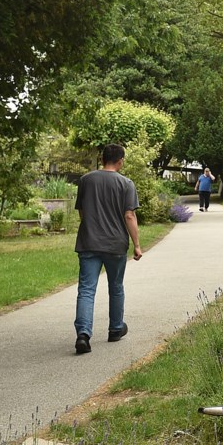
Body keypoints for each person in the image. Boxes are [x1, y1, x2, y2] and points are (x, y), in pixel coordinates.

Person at [73, 143, 142, 355]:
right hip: (115, 245)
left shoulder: (86, 180)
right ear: (120, 161)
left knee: (86, 289)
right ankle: (115, 328)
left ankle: (83, 335)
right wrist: (137, 245)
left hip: (89, 243)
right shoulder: (126, 183)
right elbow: (129, 215)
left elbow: (82, 212)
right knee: (116, 286)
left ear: (102, 159)